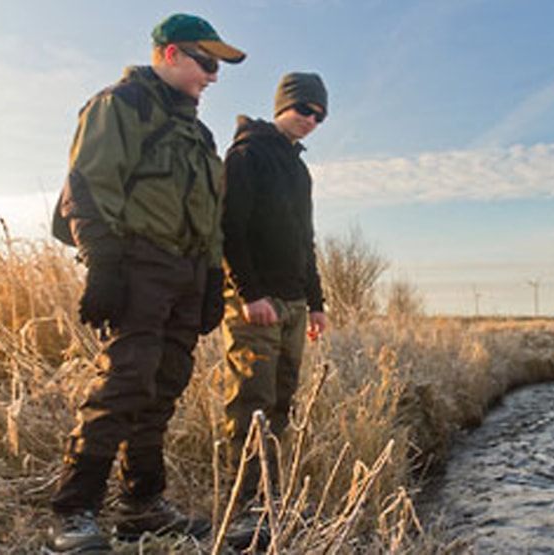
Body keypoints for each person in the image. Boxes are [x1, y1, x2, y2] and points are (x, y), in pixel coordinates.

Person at [46, 13, 244, 554]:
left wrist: (210, 279)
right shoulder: (121, 104)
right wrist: (104, 265)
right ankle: (73, 508)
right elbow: (86, 187)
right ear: (170, 54)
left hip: (185, 275)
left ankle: (142, 505)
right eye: (207, 62)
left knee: (163, 389)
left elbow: (210, 216)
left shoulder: (199, 134)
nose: (214, 76)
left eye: (218, 66)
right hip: (137, 266)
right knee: (125, 382)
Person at [219, 72, 329, 549]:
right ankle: (245, 509)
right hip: (256, 303)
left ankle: (270, 498)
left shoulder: (299, 169)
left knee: (282, 403)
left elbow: (306, 240)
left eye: (320, 115)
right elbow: (230, 230)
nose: (311, 120)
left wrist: (318, 303)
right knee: (251, 403)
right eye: (304, 109)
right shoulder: (247, 155)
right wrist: (249, 293)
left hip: (294, 305)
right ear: (283, 104)